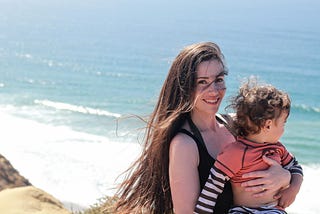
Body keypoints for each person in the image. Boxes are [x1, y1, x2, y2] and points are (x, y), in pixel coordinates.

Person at [113, 42, 295, 214]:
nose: (214, 90)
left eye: (219, 79)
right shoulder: (184, 144)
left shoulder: (234, 124)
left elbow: (285, 161)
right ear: (185, 87)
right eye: (202, 82)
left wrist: (287, 179)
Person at [195, 79, 303, 214]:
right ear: (268, 125)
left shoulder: (277, 148)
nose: (283, 129)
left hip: (274, 209)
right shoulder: (236, 152)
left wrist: (293, 188)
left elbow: (295, 166)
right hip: (242, 211)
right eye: (283, 123)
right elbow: (214, 184)